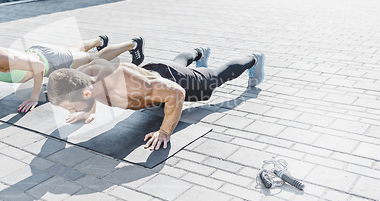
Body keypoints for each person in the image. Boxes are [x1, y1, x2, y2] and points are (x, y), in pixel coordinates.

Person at [46, 47, 265, 150]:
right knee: (174, 65)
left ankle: (253, 58)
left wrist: (164, 131)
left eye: (72, 106)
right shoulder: (84, 76)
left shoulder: (121, 81)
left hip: (175, 81)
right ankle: (198, 52)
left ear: (84, 93)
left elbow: (176, 93)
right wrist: (87, 110)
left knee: (214, 79)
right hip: (154, 76)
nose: (70, 111)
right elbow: (87, 87)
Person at [0, 35, 145, 113]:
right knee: (74, 53)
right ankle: (98, 39)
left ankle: (133, 43)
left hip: (48, 61)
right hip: (40, 55)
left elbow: (39, 67)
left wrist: (34, 98)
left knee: (93, 59)